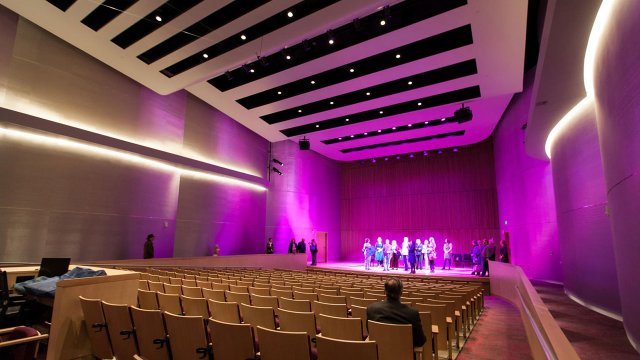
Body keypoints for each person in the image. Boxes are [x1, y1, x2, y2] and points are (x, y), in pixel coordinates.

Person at [366, 278, 426, 348]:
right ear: (401, 293)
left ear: (384, 292)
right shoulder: (412, 313)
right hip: (405, 355)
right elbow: (420, 341)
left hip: (378, 354)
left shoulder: (371, 308)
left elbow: (370, 332)